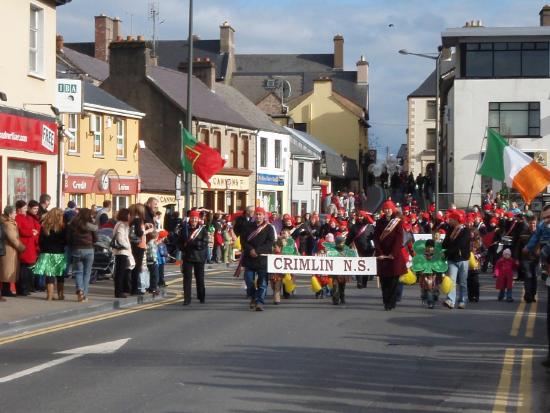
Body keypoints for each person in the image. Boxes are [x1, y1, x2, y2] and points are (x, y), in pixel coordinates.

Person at [374, 200, 407, 310]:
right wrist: (379, 252)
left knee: (393, 281)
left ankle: (392, 302)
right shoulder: (379, 222)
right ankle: (386, 302)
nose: (387, 210)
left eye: (389, 208)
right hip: (382, 255)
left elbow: (399, 239)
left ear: (392, 209)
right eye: (385, 209)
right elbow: (376, 238)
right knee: (384, 281)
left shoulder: (397, 221)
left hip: (394, 256)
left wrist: (393, 253)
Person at [242, 207, 275, 311]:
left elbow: (270, 243)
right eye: (257, 214)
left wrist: (258, 251)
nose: (258, 216)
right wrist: (251, 250)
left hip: (262, 259)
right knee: (249, 281)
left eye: (260, 214)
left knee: (263, 283)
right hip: (249, 258)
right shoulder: (247, 227)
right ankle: (253, 297)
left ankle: (260, 302)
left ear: (264, 215)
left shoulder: (269, 228)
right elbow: (243, 241)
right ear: (254, 215)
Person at [34, 208, 67, 300]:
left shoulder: (44, 226)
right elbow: (66, 240)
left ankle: (49, 295)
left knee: (49, 274)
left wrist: (43, 249)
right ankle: (61, 295)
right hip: (59, 252)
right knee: (60, 275)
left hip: (46, 252)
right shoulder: (63, 227)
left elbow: (40, 241)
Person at [178, 209, 208, 305]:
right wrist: (183, 248)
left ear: (198, 219)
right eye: (192, 218)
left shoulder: (202, 229)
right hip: (187, 256)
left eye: (195, 218)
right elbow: (180, 242)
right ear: (189, 219)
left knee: (199, 277)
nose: (193, 220)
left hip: (199, 257)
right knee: (187, 278)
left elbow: (205, 242)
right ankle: (187, 299)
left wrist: (194, 243)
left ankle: (201, 296)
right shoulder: (184, 229)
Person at [442, 211, 470, 309]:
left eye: (451, 219)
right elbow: (445, 243)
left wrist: (446, 252)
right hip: (452, 259)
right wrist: (446, 241)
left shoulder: (465, 230)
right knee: (451, 281)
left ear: (456, 220)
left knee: (462, 282)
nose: (449, 221)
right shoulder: (450, 229)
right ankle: (450, 300)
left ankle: (462, 300)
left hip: (462, 259)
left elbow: (460, 244)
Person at [67, 208, 97, 302]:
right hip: (89, 249)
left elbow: (69, 238)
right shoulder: (91, 226)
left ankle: (80, 290)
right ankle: (84, 295)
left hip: (77, 249)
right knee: (87, 273)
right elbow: (96, 238)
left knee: (78, 272)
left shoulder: (73, 224)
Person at [128, 204, 155, 295]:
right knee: (137, 268)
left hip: (136, 245)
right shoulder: (137, 220)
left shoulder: (134, 220)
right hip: (139, 246)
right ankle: (135, 289)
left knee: (136, 267)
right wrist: (149, 231)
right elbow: (139, 233)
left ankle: (133, 288)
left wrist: (145, 224)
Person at [15, 200, 40, 296]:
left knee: (28, 268)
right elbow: (21, 230)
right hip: (25, 244)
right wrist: (31, 232)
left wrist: (33, 232)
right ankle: (22, 288)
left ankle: (27, 287)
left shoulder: (27, 217)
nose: (26, 210)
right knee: (24, 268)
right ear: (19, 209)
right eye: (24, 208)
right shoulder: (18, 218)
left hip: (30, 244)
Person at [0, 206, 25, 300]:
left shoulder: (9, 222)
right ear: (10, 214)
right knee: (7, 270)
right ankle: (6, 290)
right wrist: (22, 247)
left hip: (10, 250)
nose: (16, 214)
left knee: (7, 270)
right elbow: (12, 238)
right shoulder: (8, 224)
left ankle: (7, 290)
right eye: (14, 212)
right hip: (9, 250)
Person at [346, 210, 375, 289]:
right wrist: (345, 246)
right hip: (357, 249)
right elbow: (349, 238)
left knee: (366, 266)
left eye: (361, 216)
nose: (360, 218)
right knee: (357, 265)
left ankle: (364, 281)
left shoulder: (370, 227)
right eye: (358, 216)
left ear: (365, 217)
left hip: (368, 249)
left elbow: (375, 238)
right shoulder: (354, 227)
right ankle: (359, 282)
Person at [111, 208, 134, 298]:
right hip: (122, 251)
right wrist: (127, 246)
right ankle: (119, 292)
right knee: (120, 273)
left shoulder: (122, 224)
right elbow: (120, 238)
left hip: (122, 251)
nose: (130, 216)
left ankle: (121, 291)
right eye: (129, 215)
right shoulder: (121, 225)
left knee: (121, 272)